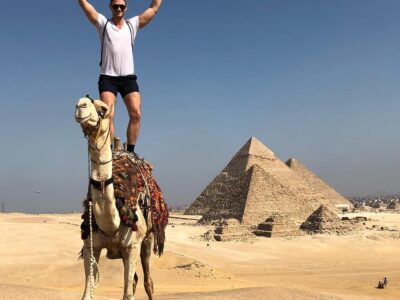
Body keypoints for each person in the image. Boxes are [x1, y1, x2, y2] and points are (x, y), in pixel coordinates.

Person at [78, 0, 163, 154]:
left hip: (128, 78)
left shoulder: (132, 25)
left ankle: (130, 152)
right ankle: (109, 152)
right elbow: (85, 6)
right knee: (107, 116)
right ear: (110, 7)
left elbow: (154, 8)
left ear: (126, 8)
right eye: (115, 6)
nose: (119, 9)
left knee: (136, 113)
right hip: (108, 78)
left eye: (121, 6)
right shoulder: (103, 24)